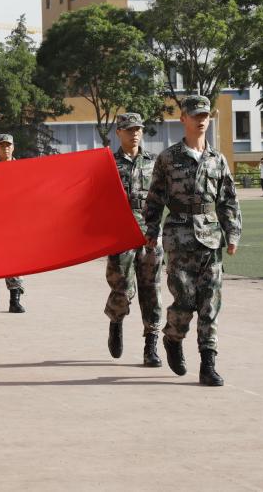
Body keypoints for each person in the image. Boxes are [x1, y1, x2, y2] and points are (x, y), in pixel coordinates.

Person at [143, 95, 242, 387]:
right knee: (185, 299)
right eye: (195, 115)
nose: (201, 120)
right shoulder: (168, 158)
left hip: (211, 239)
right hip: (179, 238)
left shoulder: (217, 160)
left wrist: (233, 233)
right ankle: (173, 338)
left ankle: (208, 364)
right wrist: (150, 231)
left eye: (205, 116)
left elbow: (228, 200)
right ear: (183, 119)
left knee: (210, 302)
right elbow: (154, 199)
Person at [104, 113, 163, 367]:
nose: (134, 133)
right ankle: (116, 322)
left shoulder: (154, 162)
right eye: (129, 129)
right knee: (122, 287)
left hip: (149, 234)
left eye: (138, 129)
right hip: (121, 235)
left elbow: (165, 196)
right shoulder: (109, 164)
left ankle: (151, 345)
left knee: (151, 290)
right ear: (119, 132)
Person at [0, 133, 26, 313]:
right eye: (1, 145)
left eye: (8, 145)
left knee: (15, 260)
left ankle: (14, 299)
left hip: (15, 222)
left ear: (13, 147)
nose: (5, 148)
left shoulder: (22, 169)